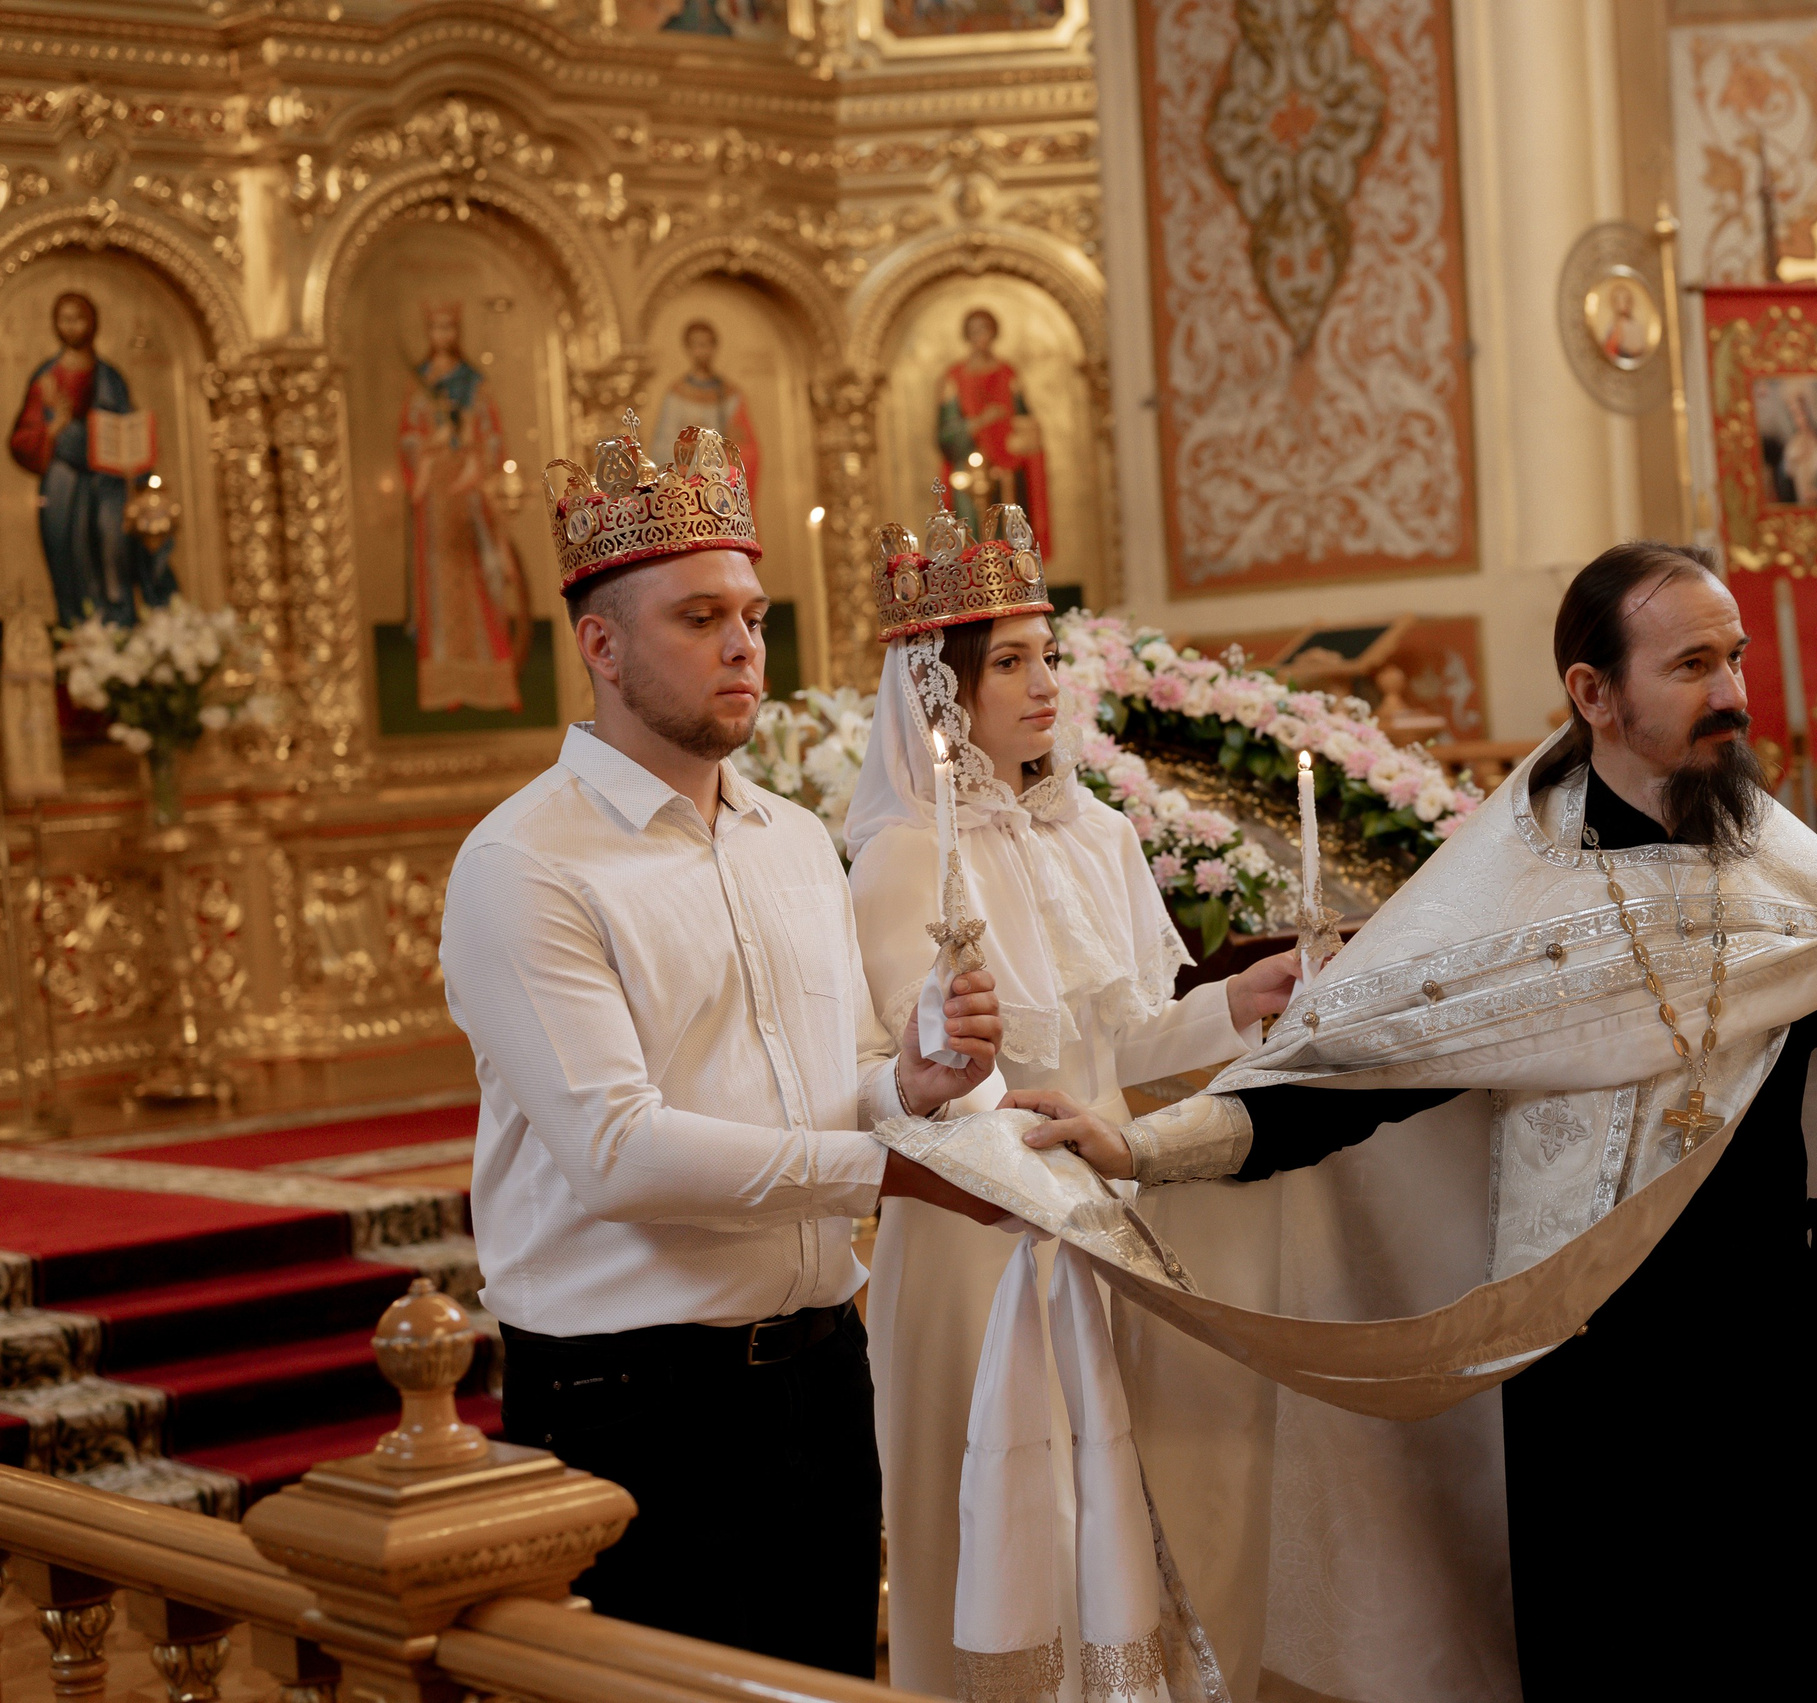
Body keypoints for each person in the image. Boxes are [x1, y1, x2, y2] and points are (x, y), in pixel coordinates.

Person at [1012, 541, 1817, 1701]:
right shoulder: (1503, 890)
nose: (1732, 692)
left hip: (1762, 1354)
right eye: (1691, 663)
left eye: (1734, 658)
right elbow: (1352, 1078)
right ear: (1593, 691)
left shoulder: (1773, 867)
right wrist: (1143, 1146)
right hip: (1581, 1367)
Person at [441, 411, 1005, 1676]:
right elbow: (618, 1153)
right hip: (632, 1399)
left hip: (818, 1368)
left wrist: (905, 1082)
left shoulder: (793, 839)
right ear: (600, 643)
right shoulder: (524, 865)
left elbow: (838, 1078)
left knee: (824, 1681)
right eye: (699, 619)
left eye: (750, 616)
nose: (744, 645)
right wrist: (891, 1170)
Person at [845, 490, 1298, 1696]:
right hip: (966, 1239)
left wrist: (1239, 1002)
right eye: (1009, 660)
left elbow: (1125, 1038)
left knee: (1112, 1509)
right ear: (942, 689)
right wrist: (943, 1048)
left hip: (1096, 1214)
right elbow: (903, 1076)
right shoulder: (898, 855)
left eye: (1049, 652)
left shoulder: (1092, 832)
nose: (1045, 681)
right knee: (987, 1515)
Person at [8, 290, 176, 626]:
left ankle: (120, 628)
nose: (72, 326)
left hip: (108, 483)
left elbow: (127, 429)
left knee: (114, 553)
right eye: (64, 319)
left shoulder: (110, 377)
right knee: (70, 560)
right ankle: (76, 634)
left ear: (93, 322)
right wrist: (53, 430)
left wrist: (140, 473)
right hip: (63, 484)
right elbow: (21, 440)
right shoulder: (46, 379)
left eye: (79, 318)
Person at [401, 301, 532, 713]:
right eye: (436, 328)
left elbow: (492, 435)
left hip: (468, 492)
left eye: (449, 327)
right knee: (439, 588)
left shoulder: (474, 383)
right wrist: (431, 444)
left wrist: (471, 449)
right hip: (435, 500)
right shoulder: (418, 382)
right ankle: (446, 687)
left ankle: (492, 684)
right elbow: (407, 437)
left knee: (482, 582)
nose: (443, 335)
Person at [937, 308, 1049, 555]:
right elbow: (946, 434)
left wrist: (1019, 439)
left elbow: (1024, 420)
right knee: (975, 540)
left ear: (994, 333)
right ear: (966, 335)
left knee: (1010, 540)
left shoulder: (1007, 374)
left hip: (1007, 468)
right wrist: (980, 422)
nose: (980, 337)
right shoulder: (954, 378)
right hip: (969, 471)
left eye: (985, 329)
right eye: (974, 331)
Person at [648, 320, 761, 500]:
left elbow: (748, 449)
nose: (702, 351)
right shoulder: (676, 395)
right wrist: (690, 443)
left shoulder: (730, 395)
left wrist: (732, 444)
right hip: (688, 491)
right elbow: (661, 447)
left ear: (715, 347)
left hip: (723, 487)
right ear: (688, 349)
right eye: (697, 345)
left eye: (707, 344)